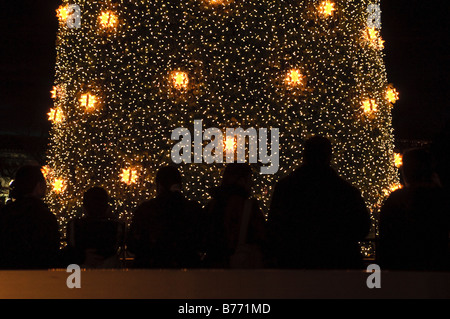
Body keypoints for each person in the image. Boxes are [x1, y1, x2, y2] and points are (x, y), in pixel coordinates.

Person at [267, 136, 371, 269]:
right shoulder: (345, 191)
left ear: (304, 155)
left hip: (295, 264)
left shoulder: (286, 188)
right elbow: (362, 227)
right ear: (329, 156)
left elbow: (275, 227)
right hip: (337, 263)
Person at [378, 148, 450, 271]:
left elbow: (385, 236)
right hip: (437, 267)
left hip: (402, 266)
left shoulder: (397, 200)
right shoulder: (441, 198)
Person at [127, 165, 205, 268]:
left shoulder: (146, 210)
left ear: (159, 185)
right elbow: (202, 242)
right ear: (180, 185)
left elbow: (132, 244)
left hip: (151, 269)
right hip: (186, 269)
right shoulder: (193, 209)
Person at [204, 163, 266, 268]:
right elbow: (262, 237)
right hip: (241, 269)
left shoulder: (212, 205)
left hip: (214, 268)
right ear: (242, 181)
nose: (251, 184)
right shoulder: (248, 207)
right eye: (249, 179)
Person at [0, 165, 60, 269]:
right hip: (36, 277)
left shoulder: (6, 212)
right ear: (38, 186)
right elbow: (51, 254)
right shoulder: (43, 215)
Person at [65, 187, 125, 268]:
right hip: (109, 270)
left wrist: (82, 257)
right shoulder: (116, 227)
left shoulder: (74, 226)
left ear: (85, 206)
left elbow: (71, 248)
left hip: (80, 271)